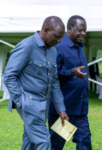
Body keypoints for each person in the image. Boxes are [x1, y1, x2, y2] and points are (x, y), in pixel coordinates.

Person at [4, 16, 69, 150]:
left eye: (61, 37)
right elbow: (9, 76)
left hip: (43, 105)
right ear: (45, 30)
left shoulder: (52, 50)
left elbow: (54, 82)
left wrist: (61, 109)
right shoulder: (26, 46)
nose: (59, 41)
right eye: (57, 37)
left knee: (30, 143)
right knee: (43, 143)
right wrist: (22, 101)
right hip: (29, 104)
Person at [48, 15, 92, 150]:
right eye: (80, 30)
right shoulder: (59, 47)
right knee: (57, 145)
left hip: (80, 109)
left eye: (84, 30)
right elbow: (51, 75)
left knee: (84, 141)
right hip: (64, 110)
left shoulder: (79, 47)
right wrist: (71, 73)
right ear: (70, 28)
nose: (83, 33)